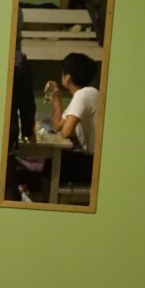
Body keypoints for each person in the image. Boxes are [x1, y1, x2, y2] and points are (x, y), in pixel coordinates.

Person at [44, 52, 98, 187]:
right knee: (50, 163)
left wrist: (70, 129)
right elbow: (57, 126)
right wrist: (56, 95)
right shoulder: (88, 93)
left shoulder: (83, 95)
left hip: (93, 163)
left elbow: (66, 132)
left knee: (49, 167)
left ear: (67, 77)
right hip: (93, 160)